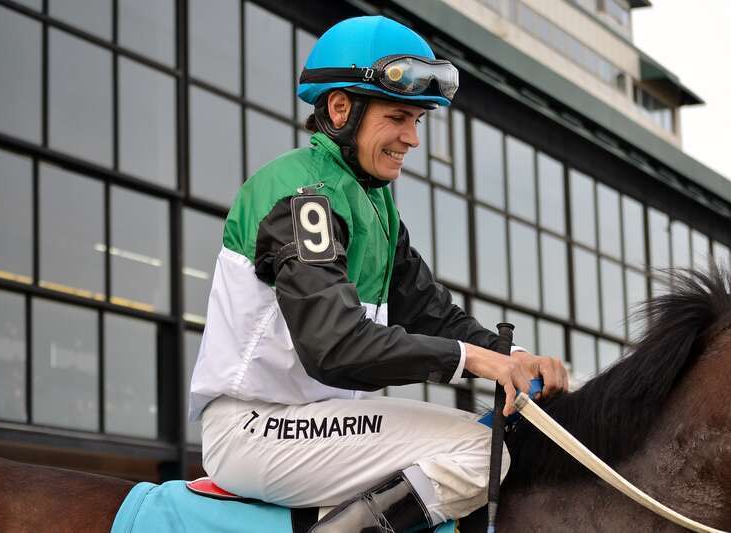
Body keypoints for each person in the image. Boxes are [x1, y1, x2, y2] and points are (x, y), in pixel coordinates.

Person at [188, 15, 568, 532]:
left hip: (317, 425)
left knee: (488, 436)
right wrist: (475, 361)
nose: (412, 138)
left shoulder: (375, 204)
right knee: (482, 452)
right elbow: (336, 346)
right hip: (258, 429)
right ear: (340, 109)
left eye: (418, 121)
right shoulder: (304, 195)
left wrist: (517, 358)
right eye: (397, 117)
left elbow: (432, 314)